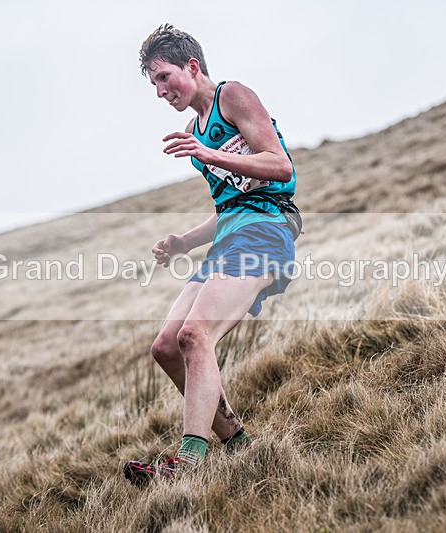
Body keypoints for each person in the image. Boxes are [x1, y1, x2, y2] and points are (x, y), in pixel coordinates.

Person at [123, 24, 299, 484]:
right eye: (154, 84)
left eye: (164, 77)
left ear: (192, 66)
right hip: (231, 239)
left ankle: (186, 465)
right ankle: (238, 444)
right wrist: (184, 241)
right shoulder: (194, 134)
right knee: (166, 346)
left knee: (195, 335)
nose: (160, 91)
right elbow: (230, 209)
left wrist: (210, 152)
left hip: (267, 232)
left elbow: (279, 165)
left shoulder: (233, 97)